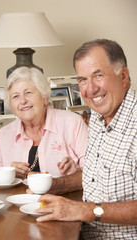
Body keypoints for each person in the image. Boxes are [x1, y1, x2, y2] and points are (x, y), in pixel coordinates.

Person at [34, 39, 137, 239]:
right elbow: (102, 176)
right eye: (82, 79)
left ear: (123, 76)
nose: (90, 89)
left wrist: (84, 211)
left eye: (98, 76)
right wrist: (56, 186)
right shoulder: (98, 118)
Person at [0, 67, 88, 179]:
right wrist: (9, 173)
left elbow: (94, 171)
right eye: (15, 96)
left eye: (28, 93)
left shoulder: (73, 123)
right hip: (18, 196)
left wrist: (75, 171)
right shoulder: (3, 135)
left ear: (44, 97)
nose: (22, 101)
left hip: (65, 195)